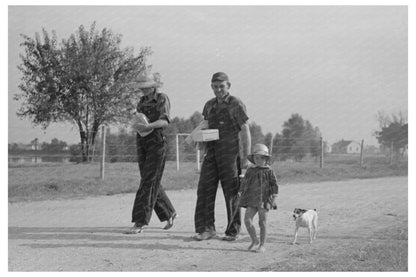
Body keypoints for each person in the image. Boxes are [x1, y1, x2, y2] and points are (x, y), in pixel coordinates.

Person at [193, 72, 251, 241]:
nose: (218, 90)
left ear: (228, 86)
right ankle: (206, 229)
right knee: (204, 190)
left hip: (230, 155)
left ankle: (233, 231)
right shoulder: (209, 105)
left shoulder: (236, 104)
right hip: (211, 154)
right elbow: (205, 126)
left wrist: (247, 157)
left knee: (231, 193)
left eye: (222, 86)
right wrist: (198, 139)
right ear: (211, 86)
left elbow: (245, 130)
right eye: (215, 86)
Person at [126, 70, 177, 234]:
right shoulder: (141, 102)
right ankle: (169, 212)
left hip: (157, 143)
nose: (143, 90)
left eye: (146, 87)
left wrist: (148, 126)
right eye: (141, 87)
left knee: (148, 182)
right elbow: (139, 120)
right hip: (142, 142)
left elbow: (165, 121)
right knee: (149, 180)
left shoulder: (162, 99)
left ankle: (140, 221)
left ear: (153, 85)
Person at [238, 143, 279, 253]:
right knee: (247, 220)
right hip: (251, 199)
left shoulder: (269, 171)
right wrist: (240, 191)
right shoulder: (251, 170)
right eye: (256, 158)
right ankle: (254, 240)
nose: (258, 160)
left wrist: (274, 198)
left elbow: (274, 186)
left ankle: (262, 245)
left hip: (264, 199)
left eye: (261, 158)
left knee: (262, 222)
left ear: (266, 159)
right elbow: (245, 181)